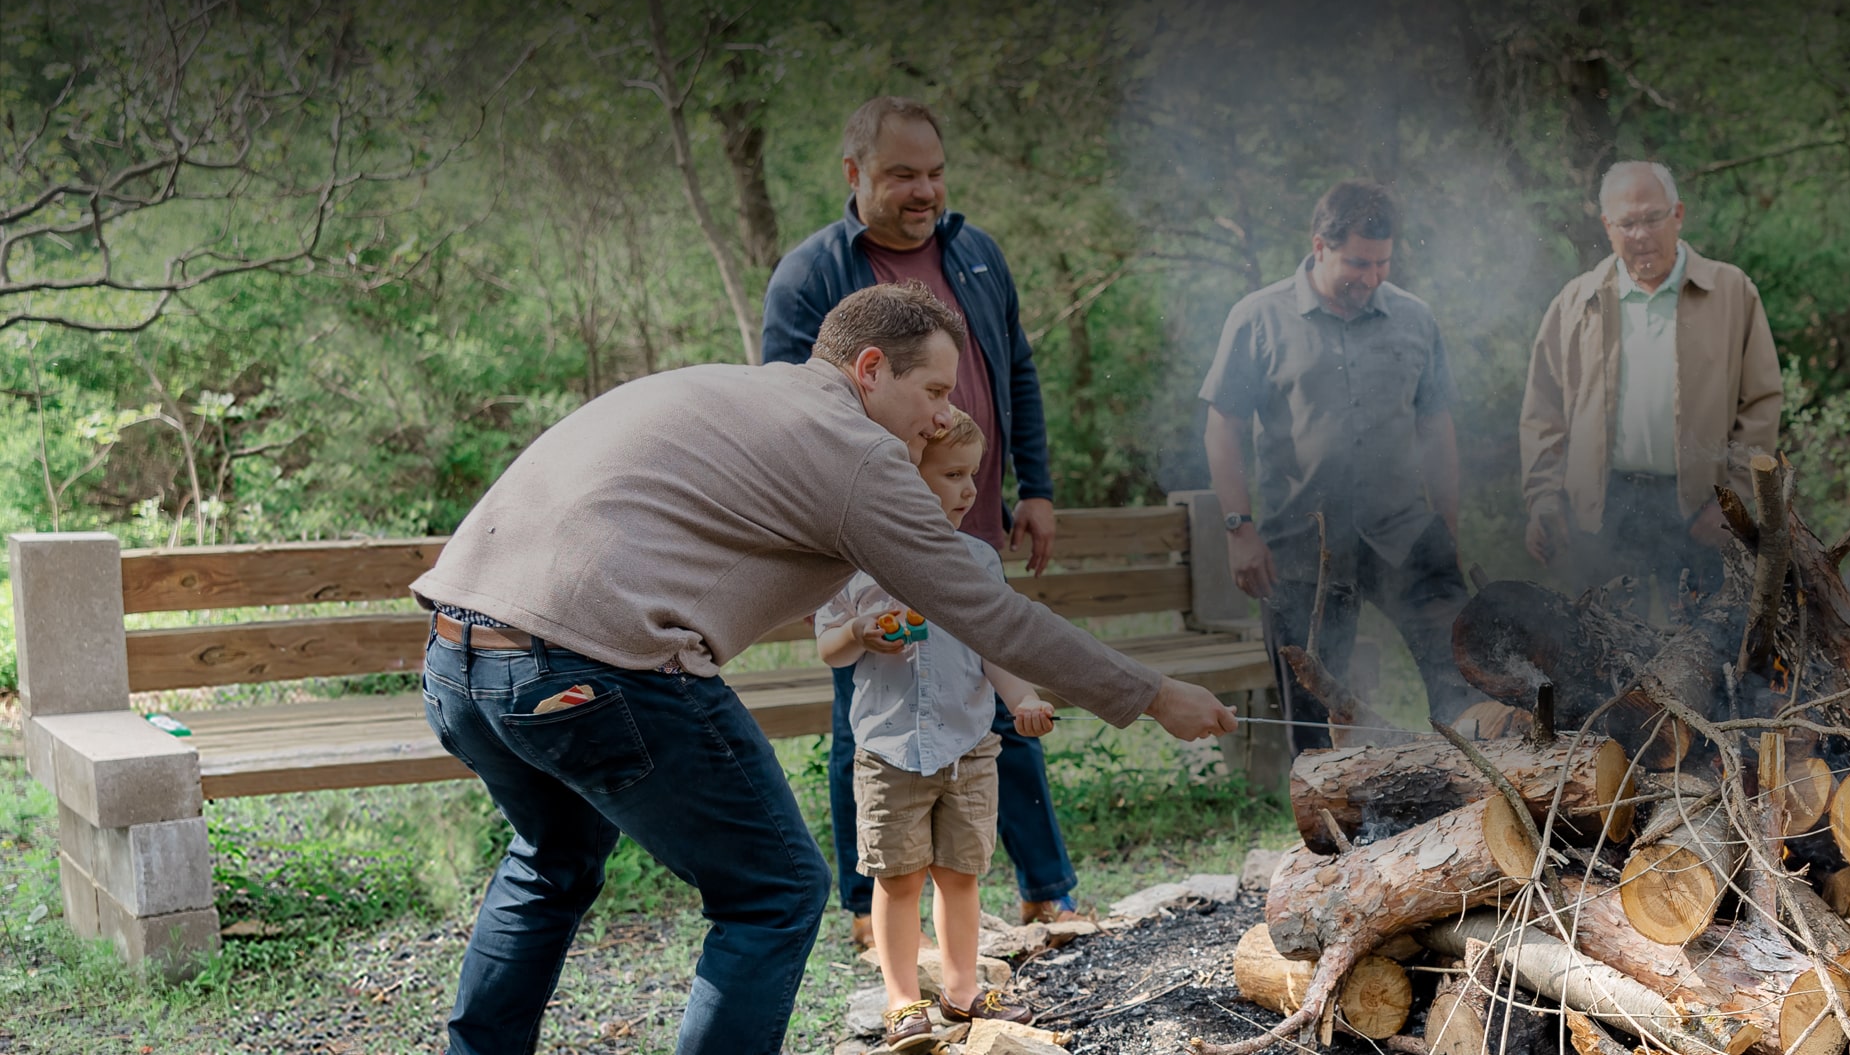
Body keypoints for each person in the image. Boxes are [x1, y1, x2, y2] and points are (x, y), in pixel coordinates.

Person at [413, 282, 1236, 1055]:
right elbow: (986, 610)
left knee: (551, 860)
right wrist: (1153, 694)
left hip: (458, 656)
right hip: (598, 667)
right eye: (936, 392)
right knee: (774, 892)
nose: (946, 417)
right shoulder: (856, 449)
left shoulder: (750, 393)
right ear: (870, 369)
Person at [760, 96, 1088, 940]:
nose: (925, 190)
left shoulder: (975, 255)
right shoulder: (815, 274)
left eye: (935, 172)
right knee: (864, 709)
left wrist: (1036, 487)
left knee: (991, 685)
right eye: (903, 173)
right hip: (865, 530)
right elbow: (787, 408)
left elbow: (1015, 368)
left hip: (969, 516)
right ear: (855, 174)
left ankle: (1048, 885)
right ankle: (873, 899)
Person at [1201, 178, 1472, 747]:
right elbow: (1222, 427)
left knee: (1464, 675)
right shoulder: (1257, 318)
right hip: (1299, 545)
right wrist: (1238, 529)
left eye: (1383, 264)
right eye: (1357, 262)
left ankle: (1476, 800)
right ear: (1319, 245)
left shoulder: (1415, 319)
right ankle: (1329, 825)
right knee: (1311, 706)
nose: (1371, 278)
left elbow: (1435, 424)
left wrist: (1447, 523)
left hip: (1404, 531)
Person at [819, 410, 1051, 1048]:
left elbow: (994, 646)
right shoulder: (854, 567)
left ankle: (960, 991)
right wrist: (858, 632)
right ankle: (901, 1000)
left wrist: (1024, 695)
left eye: (971, 474)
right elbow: (829, 649)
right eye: (952, 475)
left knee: (961, 873)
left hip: (969, 748)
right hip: (891, 753)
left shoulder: (976, 560)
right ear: (902, 481)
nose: (970, 490)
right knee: (897, 878)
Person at [1519, 160, 1784, 594]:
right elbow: (1542, 414)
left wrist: (1733, 502)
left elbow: (1761, 403)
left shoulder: (1732, 292)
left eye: (1652, 218)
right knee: (1605, 650)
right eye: (1627, 223)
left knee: (1701, 651)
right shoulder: (1575, 302)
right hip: (1600, 514)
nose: (1640, 234)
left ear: (1677, 215)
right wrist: (1544, 501)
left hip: (1699, 511)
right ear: (1608, 226)